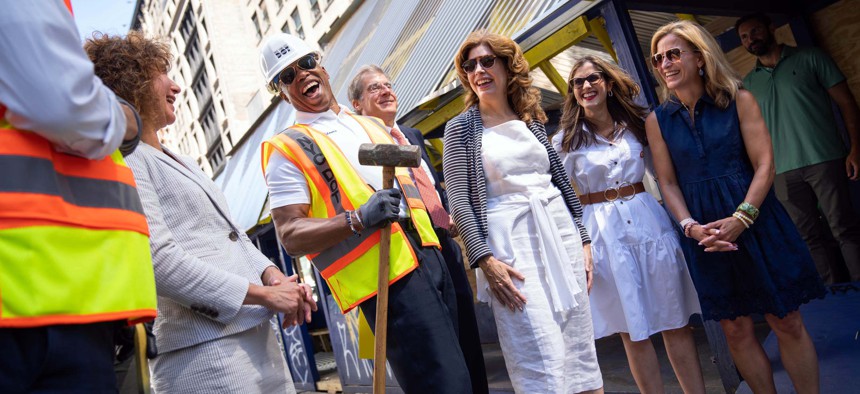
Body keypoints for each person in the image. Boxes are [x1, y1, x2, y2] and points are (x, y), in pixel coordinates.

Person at [86, 31, 316, 393]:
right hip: (204, 356)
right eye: (163, 73)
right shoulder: (126, 160)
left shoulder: (182, 161)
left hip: (254, 340)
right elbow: (158, 260)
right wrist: (263, 295)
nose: (176, 86)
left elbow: (233, 236)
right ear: (133, 84)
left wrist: (273, 277)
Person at [259, 33, 474, 393]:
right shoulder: (286, 148)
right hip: (388, 277)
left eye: (306, 64)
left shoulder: (369, 125)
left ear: (322, 66)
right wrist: (357, 218)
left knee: (464, 375)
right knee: (443, 385)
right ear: (281, 91)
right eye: (287, 75)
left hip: (428, 254)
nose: (301, 75)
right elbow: (290, 235)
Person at [647, 20, 826, 393]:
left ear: (699, 56)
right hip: (705, 236)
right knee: (735, 328)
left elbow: (765, 165)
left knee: (786, 320)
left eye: (674, 53)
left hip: (758, 221)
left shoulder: (739, 98)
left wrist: (742, 218)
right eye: (657, 58)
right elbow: (667, 182)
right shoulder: (657, 120)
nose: (665, 63)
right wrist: (690, 227)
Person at [0, 2, 157, 392]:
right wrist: (125, 119)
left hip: (54, 302)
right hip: (39, 308)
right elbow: (65, 103)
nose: (175, 86)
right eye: (161, 76)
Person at [443, 30, 603, 393]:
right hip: (509, 245)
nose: (479, 70)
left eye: (487, 61)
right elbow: (459, 200)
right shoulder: (460, 129)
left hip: (559, 231)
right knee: (535, 345)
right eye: (470, 65)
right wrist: (483, 258)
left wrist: (583, 237)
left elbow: (560, 182)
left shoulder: (530, 117)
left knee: (579, 345)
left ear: (507, 65)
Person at [553, 55, 705, 394]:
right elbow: (561, 199)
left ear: (607, 83)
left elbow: (665, 175)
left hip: (649, 223)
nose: (585, 86)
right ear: (572, 92)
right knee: (632, 330)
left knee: (675, 320)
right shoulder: (564, 141)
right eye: (577, 82)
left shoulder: (639, 124)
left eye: (592, 78)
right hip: (602, 233)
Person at [347, 64, 489, 394]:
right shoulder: (357, 141)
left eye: (387, 84)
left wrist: (446, 215)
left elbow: (433, 185)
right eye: (373, 88)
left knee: (466, 334)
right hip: (407, 249)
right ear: (356, 104)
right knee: (439, 353)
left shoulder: (411, 136)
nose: (385, 91)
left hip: (444, 244)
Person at [736, 13, 860, 283]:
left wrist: (855, 148)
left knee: (844, 228)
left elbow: (847, 103)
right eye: (744, 37)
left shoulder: (811, 58)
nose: (750, 40)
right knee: (809, 237)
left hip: (824, 157)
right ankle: (834, 295)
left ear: (771, 28)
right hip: (781, 171)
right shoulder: (747, 84)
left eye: (755, 31)